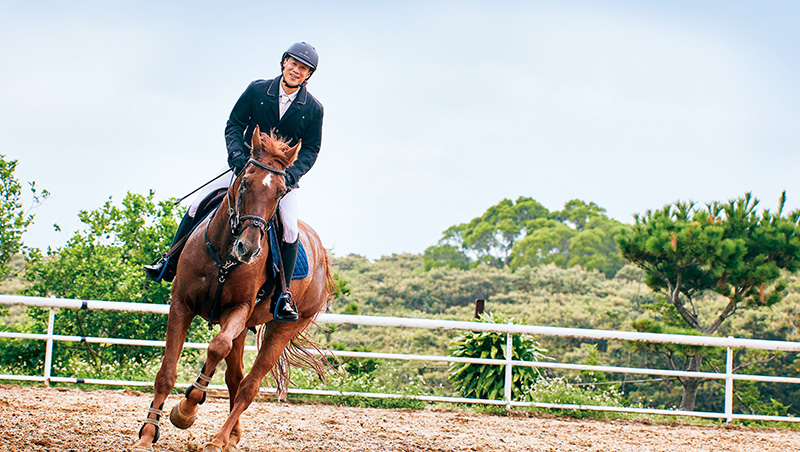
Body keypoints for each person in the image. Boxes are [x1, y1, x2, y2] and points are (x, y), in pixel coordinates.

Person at [144, 42, 324, 322]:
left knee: (290, 229)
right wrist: (237, 156)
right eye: (293, 64)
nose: (296, 70)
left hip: (280, 181)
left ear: (308, 75)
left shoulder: (313, 109)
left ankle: (283, 295)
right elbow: (235, 124)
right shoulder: (257, 90)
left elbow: (311, 148)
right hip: (246, 169)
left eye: (303, 68)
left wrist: (290, 176)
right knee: (196, 205)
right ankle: (169, 262)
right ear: (284, 62)